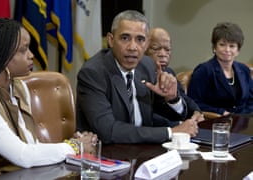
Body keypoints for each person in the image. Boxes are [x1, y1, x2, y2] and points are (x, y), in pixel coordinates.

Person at [0, 18, 97, 179]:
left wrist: (73, 145)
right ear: (1, 55)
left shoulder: (18, 87)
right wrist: (74, 147)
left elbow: (30, 145)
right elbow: (22, 155)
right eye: (24, 50)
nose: (31, 56)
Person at [76, 10, 203, 145]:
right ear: (111, 40)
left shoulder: (147, 65)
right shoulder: (93, 73)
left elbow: (163, 116)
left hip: (144, 151)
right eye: (125, 38)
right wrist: (171, 132)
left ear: (147, 44)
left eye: (140, 39)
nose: (132, 47)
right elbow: (109, 131)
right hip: (106, 155)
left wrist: (172, 98)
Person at [188, 22, 253, 115]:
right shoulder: (204, 70)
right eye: (222, 44)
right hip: (215, 122)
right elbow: (194, 103)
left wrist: (243, 118)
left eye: (232, 46)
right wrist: (221, 112)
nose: (227, 50)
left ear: (238, 50)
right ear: (214, 47)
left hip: (243, 123)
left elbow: (251, 100)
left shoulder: (244, 70)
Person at [145, 27, 202, 120]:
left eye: (167, 49)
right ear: (144, 49)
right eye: (156, 49)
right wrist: (178, 126)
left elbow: (184, 97)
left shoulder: (169, 72)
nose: (163, 54)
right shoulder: (137, 74)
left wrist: (196, 111)